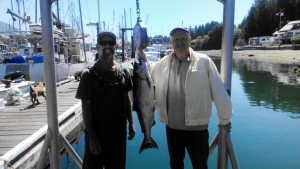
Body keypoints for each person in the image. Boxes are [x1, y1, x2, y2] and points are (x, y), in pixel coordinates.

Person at [151, 27, 233, 169]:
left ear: (190, 40)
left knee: (200, 165)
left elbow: (219, 91)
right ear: (171, 43)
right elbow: (147, 75)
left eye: (183, 39)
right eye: (176, 39)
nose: (180, 42)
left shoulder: (204, 62)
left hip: (197, 128)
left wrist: (224, 119)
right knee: (176, 165)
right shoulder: (162, 64)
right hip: (172, 127)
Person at [75, 31, 135, 169]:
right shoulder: (88, 75)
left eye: (111, 42)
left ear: (116, 46)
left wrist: (131, 123)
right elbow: (86, 108)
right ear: (97, 46)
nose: (107, 45)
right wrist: (92, 137)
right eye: (103, 42)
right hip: (97, 135)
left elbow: (127, 98)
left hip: (119, 134)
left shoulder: (124, 71)